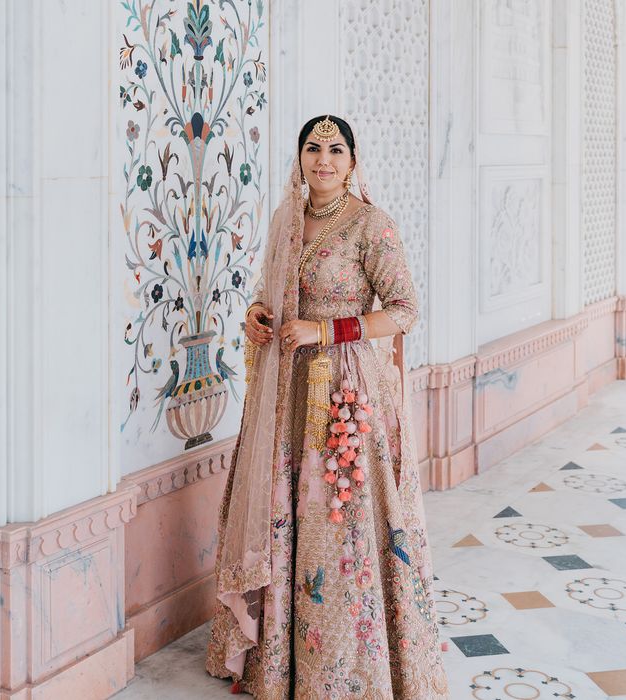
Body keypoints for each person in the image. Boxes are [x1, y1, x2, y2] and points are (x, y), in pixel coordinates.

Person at [206, 115, 449, 699]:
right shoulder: (286, 221)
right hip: (286, 391)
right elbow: (270, 297)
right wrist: (259, 317)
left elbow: (405, 310)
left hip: (342, 393)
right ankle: (277, 659)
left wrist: (326, 330)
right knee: (283, 507)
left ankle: (345, 666)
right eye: (313, 148)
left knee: (336, 521)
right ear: (299, 158)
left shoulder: (371, 225)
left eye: (335, 149)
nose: (323, 159)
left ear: (353, 160)